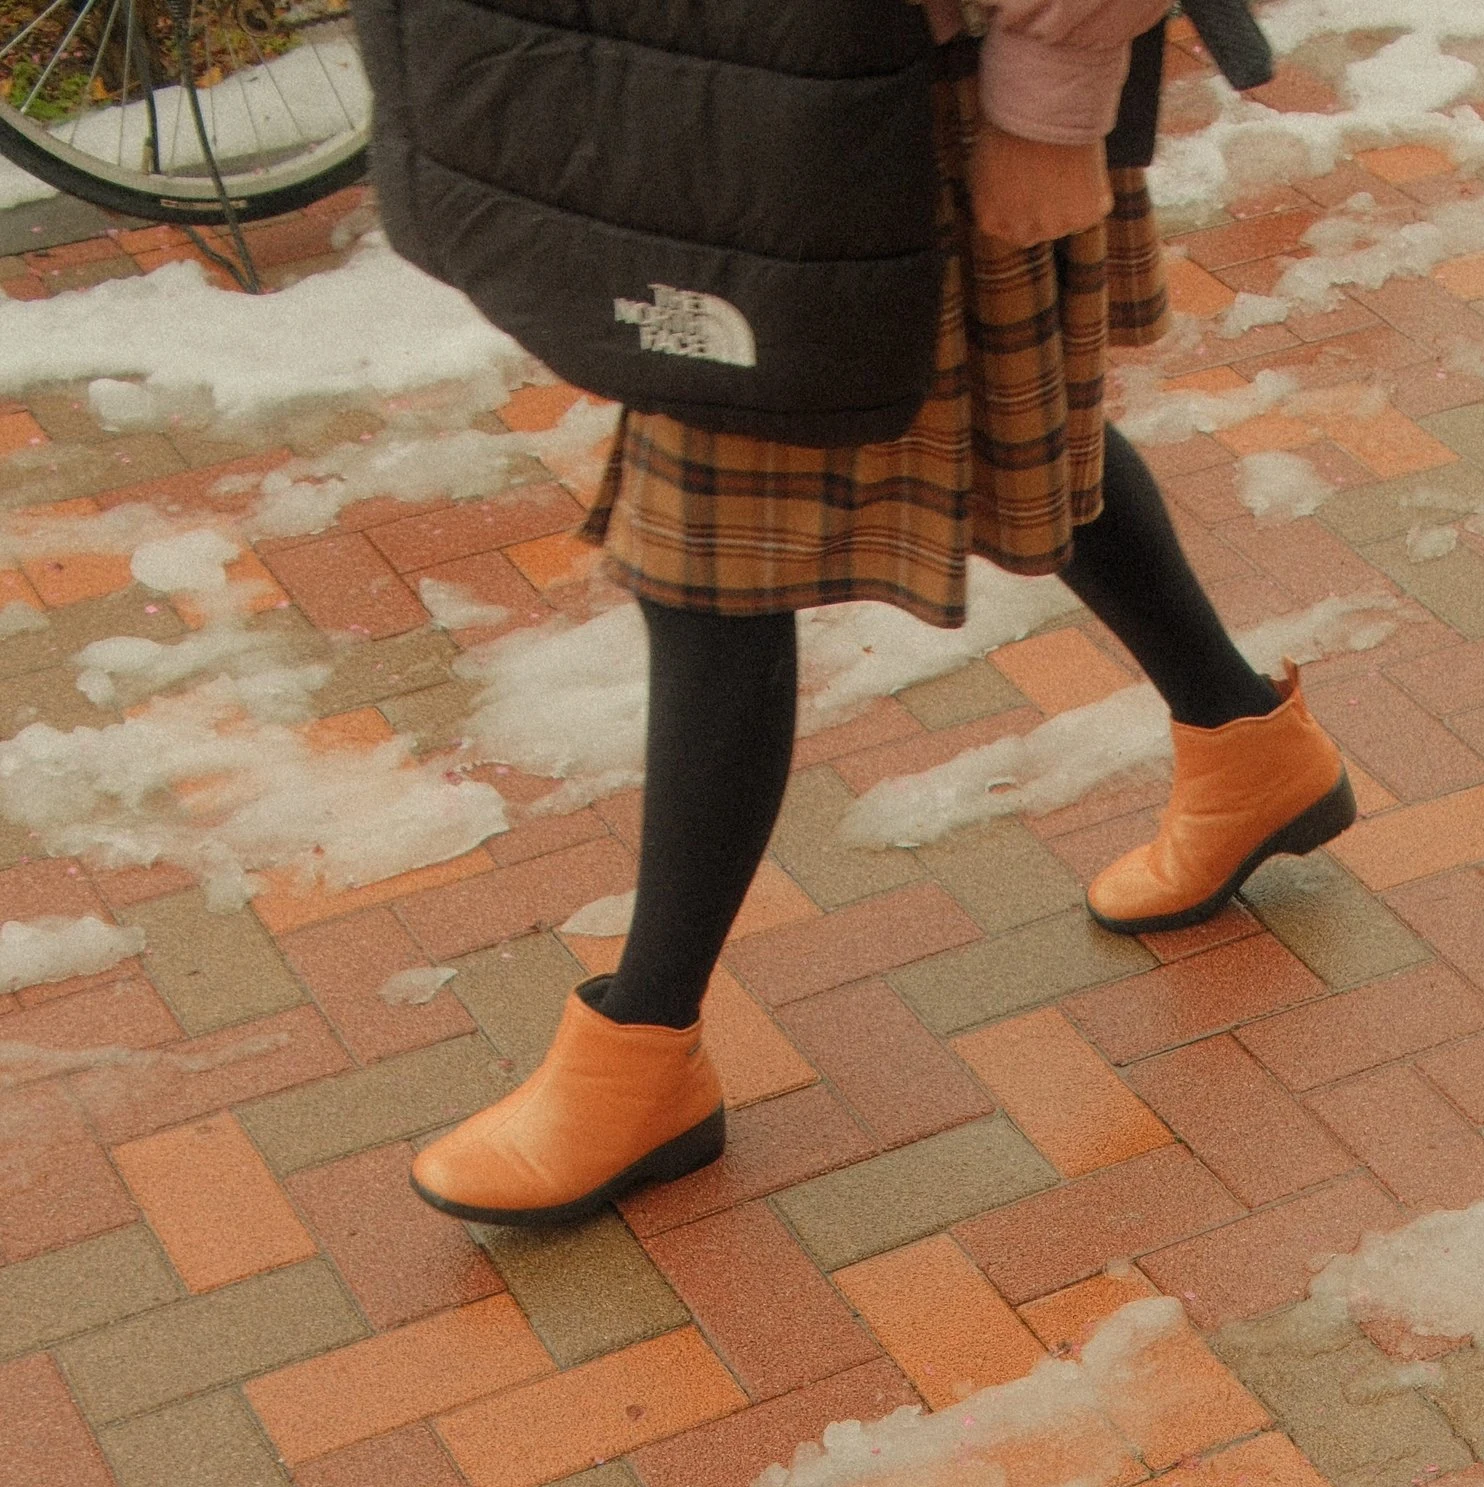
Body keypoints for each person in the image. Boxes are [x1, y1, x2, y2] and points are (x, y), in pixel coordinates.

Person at [383, 0, 1354, 1231]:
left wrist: (1050, 99)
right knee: (1031, 434)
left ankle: (643, 1049)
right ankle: (1250, 748)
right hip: (750, 78)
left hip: (904, 94)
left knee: (705, 562)